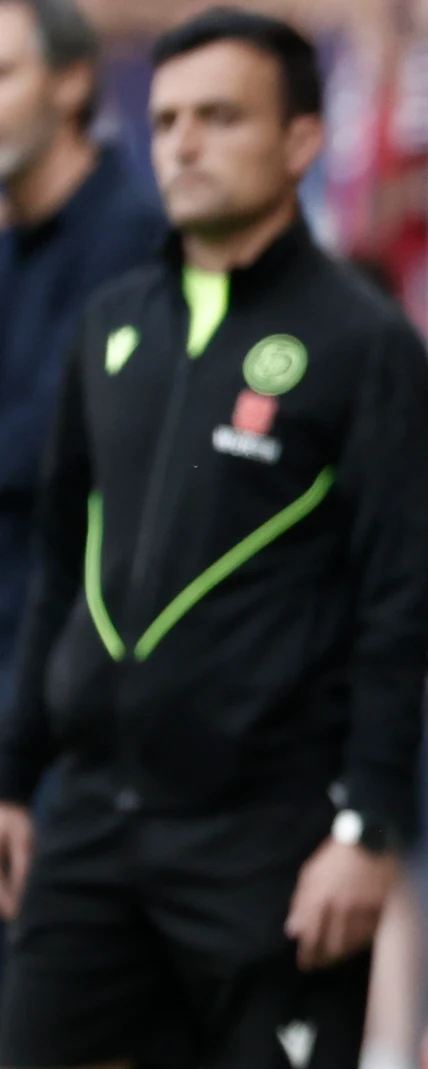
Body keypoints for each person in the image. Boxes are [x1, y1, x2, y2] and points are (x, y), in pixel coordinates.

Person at [0, 9, 428, 1068]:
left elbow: (398, 605)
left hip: (268, 841)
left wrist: (367, 827)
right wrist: (12, 780)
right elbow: (61, 564)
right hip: (95, 822)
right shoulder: (112, 323)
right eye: (164, 122)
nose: (184, 144)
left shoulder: (364, 342)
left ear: (300, 140)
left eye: (220, 117)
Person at [0, 0, 166, 767]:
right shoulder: (12, 250)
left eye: (4, 74)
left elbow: (61, 440)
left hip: (80, 672)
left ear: (70, 83)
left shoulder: (132, 236)